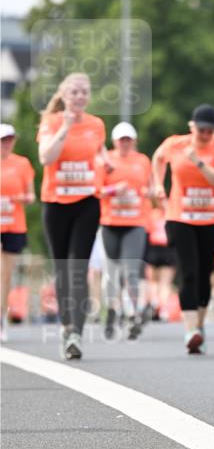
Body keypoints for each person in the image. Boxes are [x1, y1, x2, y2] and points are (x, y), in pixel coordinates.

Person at [152, 104, 214, 353]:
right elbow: (158, 158)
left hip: (210, 219)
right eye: (201, 129)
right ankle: (190, 330)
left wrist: (198, 162)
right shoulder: (175, 144)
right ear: (192, 127)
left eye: (210, 130)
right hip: (179, 218)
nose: (205, 135)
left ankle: (199, 326)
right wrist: (158, 185)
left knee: (204, 272)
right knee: (188, 272)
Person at [37, 72, 106, 360]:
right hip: (56, 203)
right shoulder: (51, 122)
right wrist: (64, 127)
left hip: (87, 202)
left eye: (84, 92)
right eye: (74, 92)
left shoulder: (96, 125)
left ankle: (76, 332)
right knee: (62, 267)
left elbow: (99, 154)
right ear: (64, 95)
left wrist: (106, 165)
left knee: (79, 266)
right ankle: (66, 326)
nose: (80, 97)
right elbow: (46, 158)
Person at [100, 122, 152, 340]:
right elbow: (96, 190)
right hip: (110, 222)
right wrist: (114, 190)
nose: (125, 144)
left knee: (131, 271)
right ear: (114, 142)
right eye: (121, 140)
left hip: (135, 222)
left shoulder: (142, 161)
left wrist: (144, 192)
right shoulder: (106, 161)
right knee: (111, 274)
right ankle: (112, 310)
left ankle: (132, 316)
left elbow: (151, 187)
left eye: (128, 140)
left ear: (134, 141)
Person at [0, 124, 35, 342]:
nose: (7, 144)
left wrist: (18, 199)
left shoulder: (22, 164)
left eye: (10, 139)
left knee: (6, 276)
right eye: (3, 140)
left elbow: (31, 195)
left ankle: (2, 317)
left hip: (14, 224)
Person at [144, 199, 177, 320]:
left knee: (156, 281)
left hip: (157, 248)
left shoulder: (153, 214)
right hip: (164, 248)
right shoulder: (171, 214)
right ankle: (161, 308)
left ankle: (156, 304)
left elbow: (146, 233)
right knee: (163, 282)